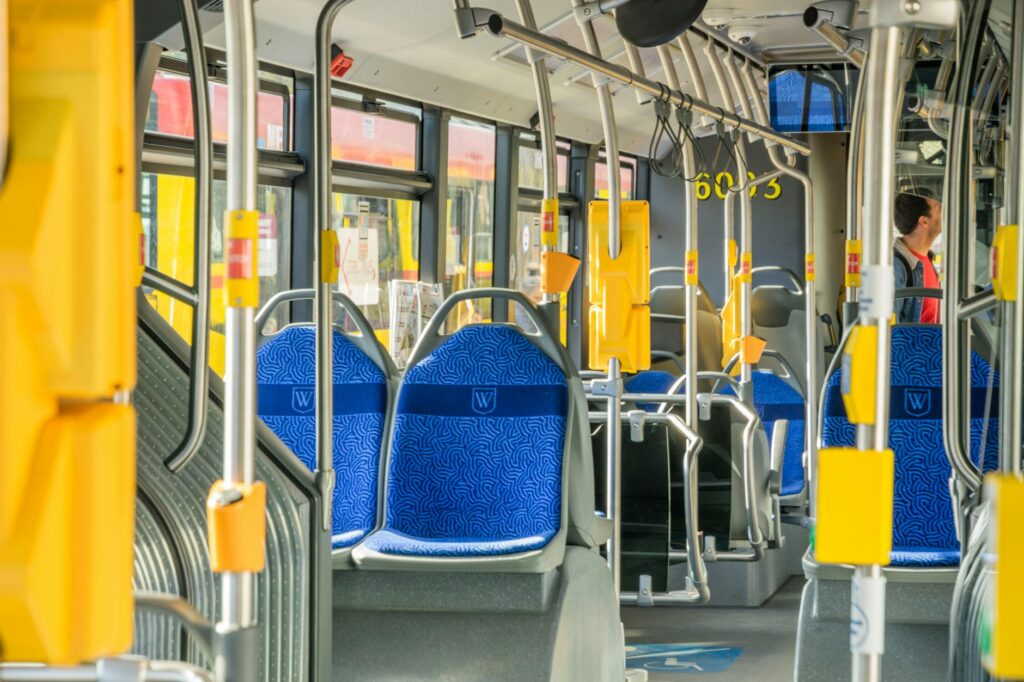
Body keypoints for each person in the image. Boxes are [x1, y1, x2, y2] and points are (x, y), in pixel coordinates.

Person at [893, 189, 942, 323]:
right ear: (924, 221)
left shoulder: (930, 259)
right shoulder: (896, 267)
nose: (945, 212)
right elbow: (890, 329)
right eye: (938, 208)